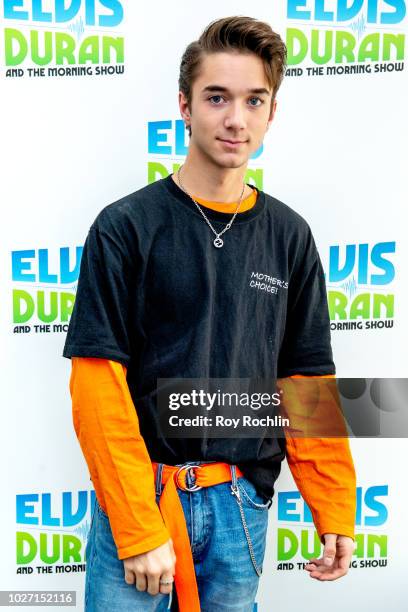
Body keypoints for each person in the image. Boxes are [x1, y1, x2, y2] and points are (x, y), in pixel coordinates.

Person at [62, 15, 357, 612]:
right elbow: (97, 388)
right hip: (143, 500)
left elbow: (306, 382)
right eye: (217, 97)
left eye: (254, 100)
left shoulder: (289, 236)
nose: (235, 119)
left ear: (272, 113)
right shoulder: (126, 227)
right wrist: (139, 527)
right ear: (185, 105)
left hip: (238, 512)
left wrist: (333, 509)